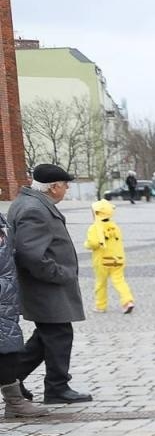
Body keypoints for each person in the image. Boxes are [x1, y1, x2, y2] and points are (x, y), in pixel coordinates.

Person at [6, 164, 90, 404]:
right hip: (45, 287)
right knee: (58, 334)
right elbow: (31, 254)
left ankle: (12, 377)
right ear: (53, 188)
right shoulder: (34, 209)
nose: (66, 190)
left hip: (44, 286)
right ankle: (56, 387)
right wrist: (59, 274)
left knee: (47, 337)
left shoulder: (32, 203)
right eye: (64, 185)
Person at [1, 213, 48, 418]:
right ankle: (15, 401)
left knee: (9, 350)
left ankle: (15, 401)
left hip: (6, 297)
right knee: (7, 351)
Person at [85, 200, 135, 314]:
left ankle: (100, 305)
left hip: (103, 260)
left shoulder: (95, 228)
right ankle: (128, 301)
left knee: (100, 283)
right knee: (119, 280)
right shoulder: (115, 226)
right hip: (118, 258)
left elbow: (93, 243)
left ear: (97, 213)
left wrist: (86, 244)